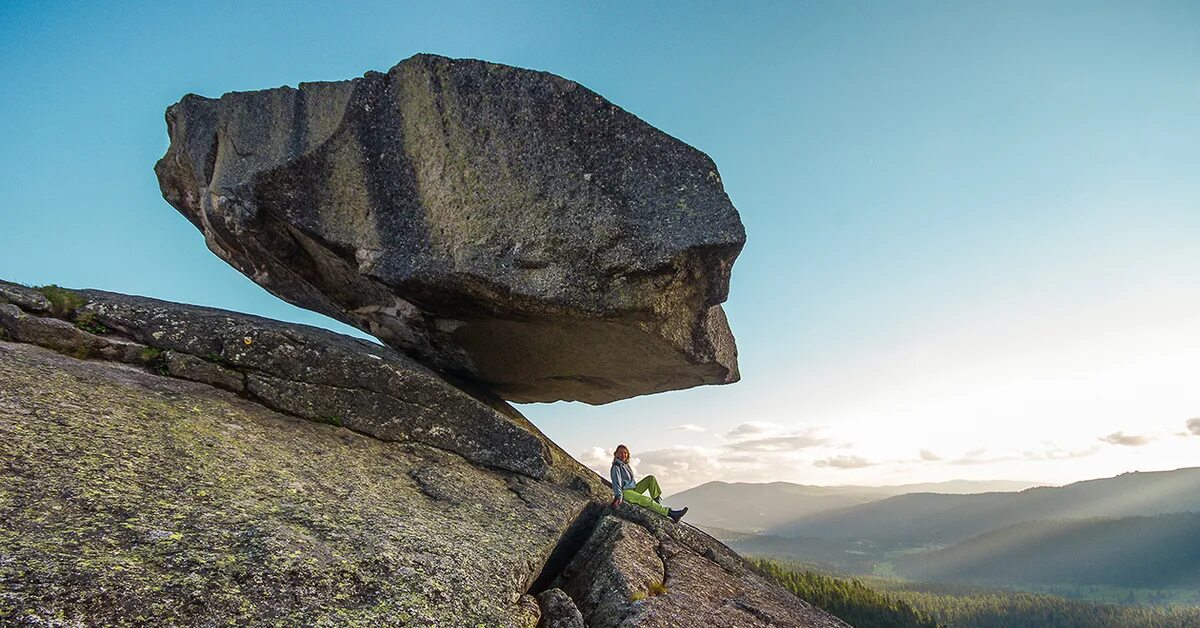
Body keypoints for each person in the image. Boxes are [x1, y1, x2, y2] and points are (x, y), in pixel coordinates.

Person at [610, 444, 688, 523]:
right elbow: (616, 483)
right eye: (621, 453)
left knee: (651, 479)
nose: (623, 455)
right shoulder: (616, 467)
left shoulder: (626, 465)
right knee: (647, 500)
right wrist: (619, 496)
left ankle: (658, 505)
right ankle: (671, 514)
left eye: (625, 453)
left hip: (633, 489)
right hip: (625, 492)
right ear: (616, 454)